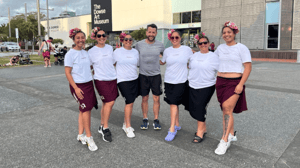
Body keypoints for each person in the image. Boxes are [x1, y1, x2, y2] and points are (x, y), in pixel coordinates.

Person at [214, 21, 252, 155]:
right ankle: (231, 134)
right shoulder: (220, 48)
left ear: (234, 33)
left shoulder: (241, 48)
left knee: (227, 108)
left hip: (234, 81)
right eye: (224, 33)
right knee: (225, 110)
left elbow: (248, 67)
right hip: (220, 81)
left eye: (229, 32)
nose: (226, 35)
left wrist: (241, 84)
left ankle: (224, 140)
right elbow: (212, 61)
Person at [64, 28, 98, 151]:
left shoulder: (85, 53)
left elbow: (90, 66)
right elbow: (68, 73)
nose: (80, 40)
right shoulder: (70, 54)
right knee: (87, 110)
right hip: (78, 86)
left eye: (82, 37)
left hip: (88, 84)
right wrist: (76, 88)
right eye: (77, 38)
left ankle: (80, 135)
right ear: (73, 39)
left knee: (83, 110)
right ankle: (89, 137)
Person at [185, 33, 219, 143]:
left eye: (205, 43)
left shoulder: (214, 56)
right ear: (198, 45)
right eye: (200, 43)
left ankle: (199, 131)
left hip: (207, 86)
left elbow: (220, 71)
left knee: (200, 106)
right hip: (193, 85)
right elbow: (188, 66)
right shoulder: (193, 56)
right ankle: (203, 128)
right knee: (194, 107)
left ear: (209, 44)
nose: (203, 45)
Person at [160, 29, 193, 141]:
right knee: (173, 103)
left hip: (181, 81)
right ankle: (177, 124)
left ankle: (172, 128)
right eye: (172, 37)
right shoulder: (167, 51)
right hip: (169, 81)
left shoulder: (187, 50)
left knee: (173, 103)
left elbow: (193, 61)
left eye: (176, 37)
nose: (174, 39)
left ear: (180, 38)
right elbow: (162, 62)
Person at [88, 27, 118, 142]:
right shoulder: (91, 51)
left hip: (112, 78)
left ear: (106, 37)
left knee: (107, 103)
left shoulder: (110, 48)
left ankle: (101, 125)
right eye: (99, 36)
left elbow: (113, 62)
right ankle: (105, 127)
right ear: (95, 38)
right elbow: (89, 66)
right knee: (110, 102)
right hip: (100, 80)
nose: (101, 37)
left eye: (103, 35)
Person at [135, 23, 165, 130]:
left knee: (156, 98)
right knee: (144, 98)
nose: (151, 34)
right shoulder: (139, 44)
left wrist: (163, 61)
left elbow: (165, 56)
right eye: (149, 32)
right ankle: (145, 118)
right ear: (146, 32)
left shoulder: (160, 45)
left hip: (156, 75)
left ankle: (156, 120)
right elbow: (133, 55)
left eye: (153, 32)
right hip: (143, 75)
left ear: (156, 33)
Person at [113, 33, 139, 138]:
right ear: (122, 41)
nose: (128, 41)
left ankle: (125, 123)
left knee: (131, 102)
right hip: (122, 80)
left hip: (134, 79)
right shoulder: (117, 52)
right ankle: (128, 126)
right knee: (129, 101)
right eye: (126, 39)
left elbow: (137, 64)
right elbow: (113, 63)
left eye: (130, 39)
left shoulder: (135, 52)